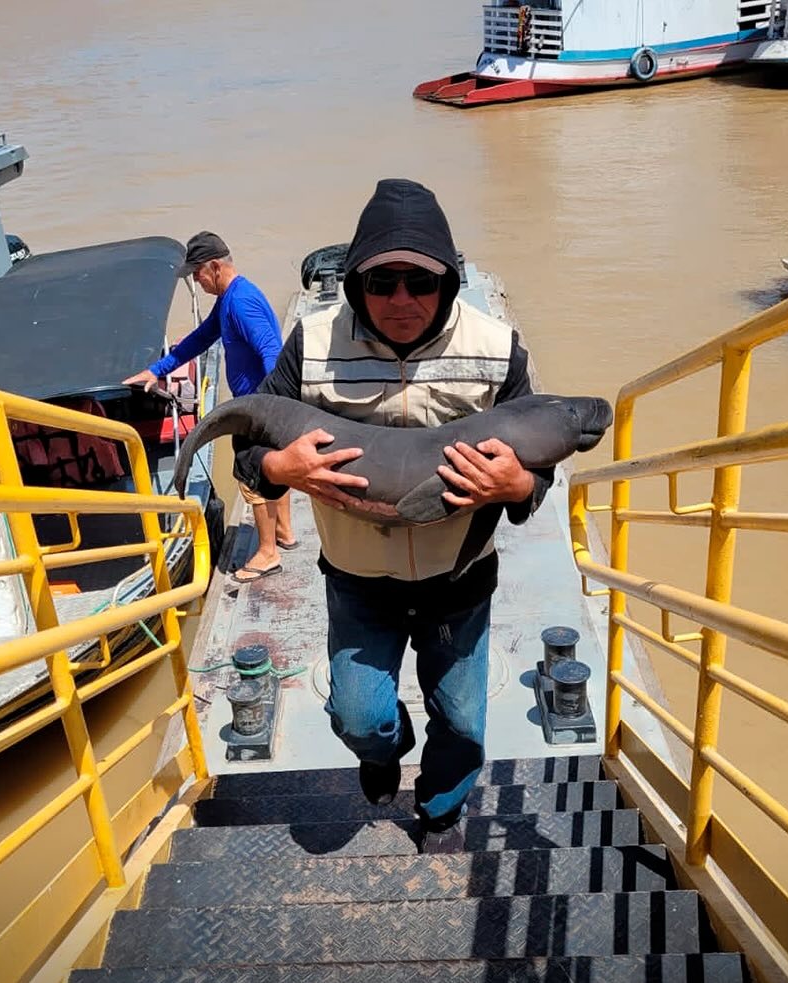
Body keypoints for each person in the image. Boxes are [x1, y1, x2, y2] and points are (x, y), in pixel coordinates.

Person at [233, 179, 553, 853]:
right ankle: (382, 755)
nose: (401, 300)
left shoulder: (498, 349)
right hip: (358, 581)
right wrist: (277, 470)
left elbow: (540, 468)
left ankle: (440, 801)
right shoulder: (311, 346)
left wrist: (518, 482)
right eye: (382, 282)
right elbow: (246, 447)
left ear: (449, 281)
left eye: (420, 281)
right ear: (353, 282)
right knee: (358, 715)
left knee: (463, 720)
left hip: (460, 580)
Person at [124, 231, 296, 583]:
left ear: (215, 267)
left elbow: (271, 354)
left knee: (251, 477)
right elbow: (201, 338)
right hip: (263, 403)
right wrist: (155, 370)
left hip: (259, 406)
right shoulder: (230, 299)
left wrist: (266, 407)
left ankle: (267, 553)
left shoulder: (241, 302)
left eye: (198, 274)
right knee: (275, 470)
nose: (197, 282)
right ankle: (285, 532)